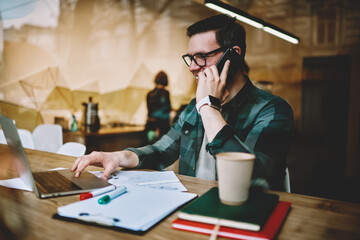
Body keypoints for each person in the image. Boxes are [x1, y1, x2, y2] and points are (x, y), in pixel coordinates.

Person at [71, 14, 293, 191]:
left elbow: (252, 178)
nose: (192, 67)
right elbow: (161, 151)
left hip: (242, 215)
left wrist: (208, 108)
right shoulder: (192, 108)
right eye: (190, 58)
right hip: (192, 206)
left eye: (201, 57)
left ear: (233, 55)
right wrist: (116, 157)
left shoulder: (272, 110)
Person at [143, 71, 172, 144]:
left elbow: (150, 111)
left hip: (150, 126)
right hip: (161, 127)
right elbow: (167, 109)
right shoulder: (165, 93)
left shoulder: (150, 94)